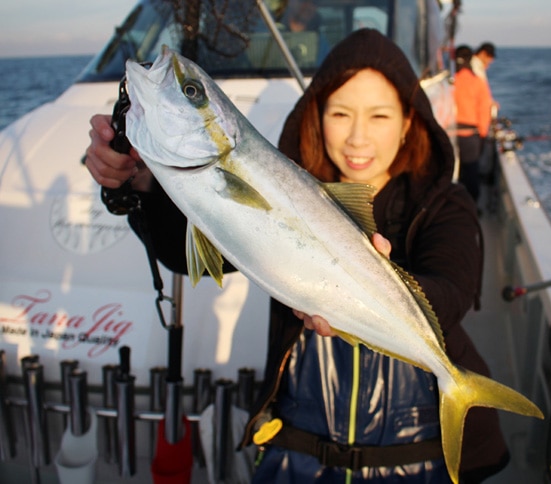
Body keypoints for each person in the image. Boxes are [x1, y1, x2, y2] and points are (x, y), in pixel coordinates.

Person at [85, 29, 508, 483]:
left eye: (380, 116)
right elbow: (185, 249)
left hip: (416, 458)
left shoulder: (444, 203)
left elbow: (454, 288)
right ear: (317, 115)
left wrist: (384, 282)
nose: (358, 137)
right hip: (298, 455)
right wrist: (138, 186)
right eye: (340, 113)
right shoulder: (290, 185)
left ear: (409, 121)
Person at [453, 45, 492, 202]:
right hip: (470, 135)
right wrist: (483, 133)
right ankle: (471, 206)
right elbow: (484, 110)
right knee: (470, 172)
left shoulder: (450, 82)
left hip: (450, 133)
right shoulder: (478, 83)